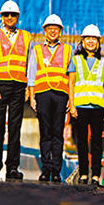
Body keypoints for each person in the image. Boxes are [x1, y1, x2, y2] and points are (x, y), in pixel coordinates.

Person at [0, 0, 31, 181]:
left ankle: (12, 167)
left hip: (19, 85)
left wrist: (29, 87)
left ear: (18, 17)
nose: (10, 18)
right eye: (6, 15)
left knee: (15, 127)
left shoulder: (26, 36)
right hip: (1, 85)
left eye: (13, 15)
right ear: (2, 17)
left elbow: (30, 64)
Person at [28, 14, 72, 183]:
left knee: (57, 134)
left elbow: (71, 75)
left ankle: (56, 171)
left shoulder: (68, 50)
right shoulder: (37, 50)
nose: (52, 31)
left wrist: (70, 97)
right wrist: (32, 97)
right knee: (45, 133)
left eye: (56, 28)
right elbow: (31, 75)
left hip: (61, 95)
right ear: (45, 31)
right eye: (49, 28)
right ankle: (46, 168)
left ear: (60, 31)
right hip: (43, 94)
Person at [69, 24, 104, 187]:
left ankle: (95, 175)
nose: (91, 41)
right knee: (82, 142)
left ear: (98, 42)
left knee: (96, 142)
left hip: (98, 107)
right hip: (80, 107)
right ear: (83, 41)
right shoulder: (76, 60)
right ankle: (84, 174)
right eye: (88, 39)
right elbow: (71, 83)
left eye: (94, 39)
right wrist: (72, 105)